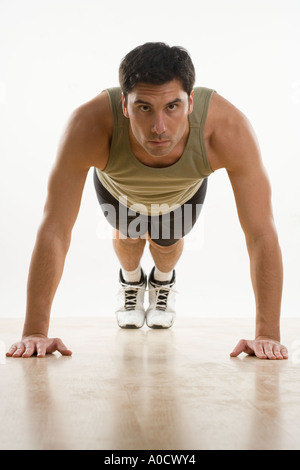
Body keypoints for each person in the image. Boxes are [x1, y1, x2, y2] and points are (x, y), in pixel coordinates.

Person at [6, 43, 288, 360]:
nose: (159, 127)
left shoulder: (227, 129)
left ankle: (162, 282)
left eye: (172, 107)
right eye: (144, 108)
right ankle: (131, 281)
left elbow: (261, 232)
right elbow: (55, 229)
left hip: (182, 194)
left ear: (191, 101)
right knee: (129, 236)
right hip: (119, 190)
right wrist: (34, 332)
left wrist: (268, 335)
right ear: (124, 105)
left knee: (166, 246)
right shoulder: (89, 125)